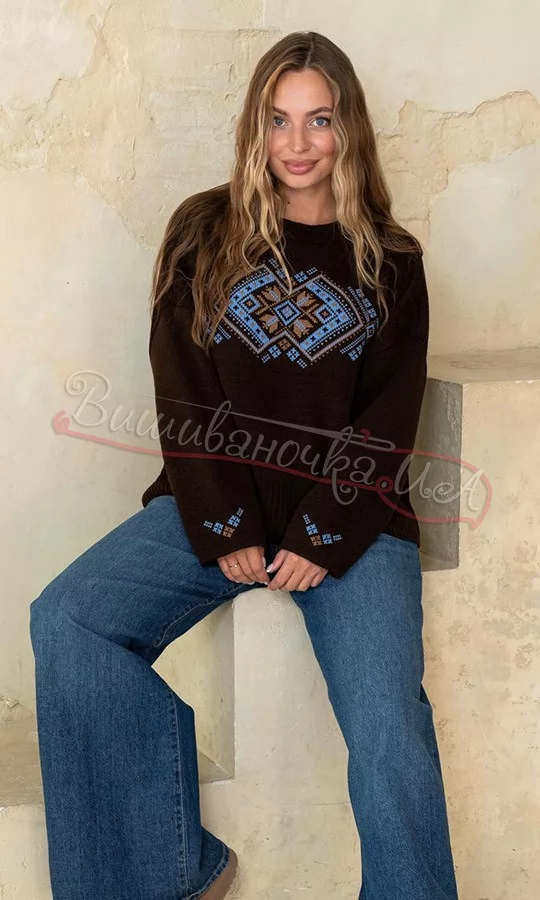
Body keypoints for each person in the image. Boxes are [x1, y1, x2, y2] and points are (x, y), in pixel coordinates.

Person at [29, 30, 459, 900]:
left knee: (391, 730)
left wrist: (322, 534)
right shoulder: (204, 231)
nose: (298, 144)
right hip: (213, 498)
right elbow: (181, 389)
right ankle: (168, 873)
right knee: (68, 620)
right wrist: (224, 524)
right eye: (277, 119)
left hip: (353, 518)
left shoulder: (393, 260)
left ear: (349, 129)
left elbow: (388, 417)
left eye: (319, 120)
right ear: (253, 128)